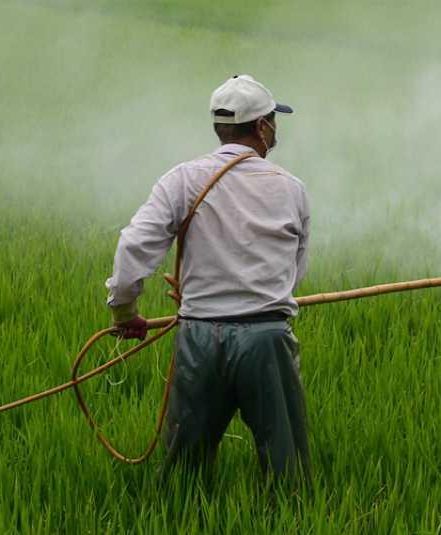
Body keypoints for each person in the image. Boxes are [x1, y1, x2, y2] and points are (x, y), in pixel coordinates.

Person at [104, 74, 311, 482]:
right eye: (273, 120)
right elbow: (293, 273)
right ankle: (291, 512)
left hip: (200, 337)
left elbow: (133, 246)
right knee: (286, 468)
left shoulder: (182, 179)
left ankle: (181, 511)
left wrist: (125, 313)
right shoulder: (291, 189)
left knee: (185, 472)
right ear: (261, 127)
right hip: (267, 338)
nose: (275, 129)